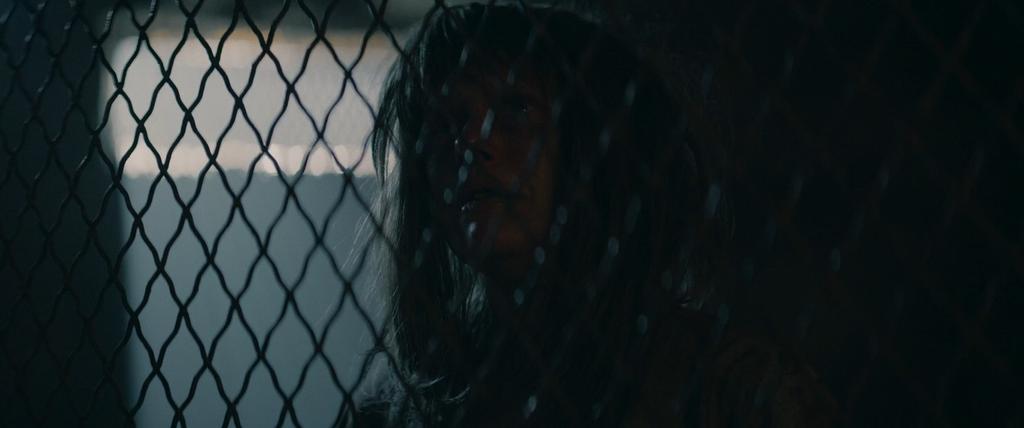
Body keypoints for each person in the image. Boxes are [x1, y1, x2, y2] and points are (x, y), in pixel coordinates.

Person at [350, 3, 837, 426]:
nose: (470, 142)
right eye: (445, 122)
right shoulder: (397, 412)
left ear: (598, 149)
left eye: (516, 109)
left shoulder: (731, 386)